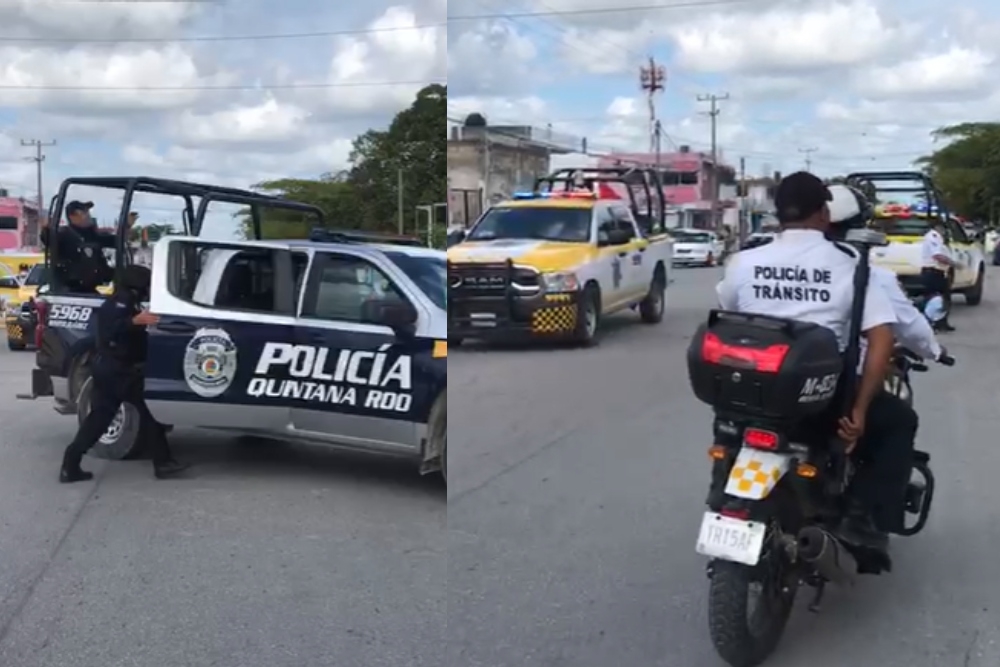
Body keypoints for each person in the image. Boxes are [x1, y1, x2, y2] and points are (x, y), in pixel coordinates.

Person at [716, 171, 898, 550]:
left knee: (727, 435)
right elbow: (881, 339)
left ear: (778, 213)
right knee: (898, 422)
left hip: (752, 397)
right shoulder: (850, 265)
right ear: (823, 213)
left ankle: (722, 490)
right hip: (822, 402)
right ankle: (862, 522)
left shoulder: (743, 262)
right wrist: (860, 411)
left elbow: (730, 317)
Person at [826, 184, 948, 541]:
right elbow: (908, 326)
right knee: (899, 422)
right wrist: (935, 351)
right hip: (838, 390)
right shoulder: (867, 274)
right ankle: (866, 519)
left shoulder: (766, 261)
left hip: (775, 388)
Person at [60, 264, 189, 483]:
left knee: (99, 419)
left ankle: (70, 464)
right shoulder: (121, 301)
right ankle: (163, 463)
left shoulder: (127, 299)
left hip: (111, 368)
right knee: (151, 412)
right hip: (119, 369)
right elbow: (111, 328)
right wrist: (134, 321)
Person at [40, 201, 135, 293]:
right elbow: (49, 239)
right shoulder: (64, 234)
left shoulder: (93, 236)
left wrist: (126, 226)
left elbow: (118, 241)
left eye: (88, 212)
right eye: (84, 213)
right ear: (73, 217)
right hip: (68, 291)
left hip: (89, 290)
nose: (88, 216)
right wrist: (46, 229)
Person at [919, 217, 956, 332]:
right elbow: (937, 255)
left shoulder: (938, 238)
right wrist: (953, 263)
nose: (945, 231)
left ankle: (941, 322)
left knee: (944, 298)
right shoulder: (933, 237)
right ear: (938, 227)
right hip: (932, 272)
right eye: (944, 228)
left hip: (938, 272)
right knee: (935, 299)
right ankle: (931, 322)